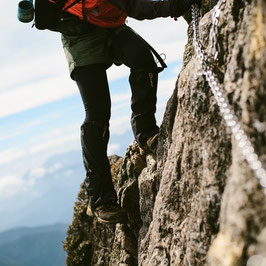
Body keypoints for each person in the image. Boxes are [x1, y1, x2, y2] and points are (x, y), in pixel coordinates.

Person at [57, 0, 201, 224]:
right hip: (79, 35)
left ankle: (145, 132)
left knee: (144, 60)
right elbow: (135, 7)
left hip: (108, 24)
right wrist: (173, 6)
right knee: (97, 114)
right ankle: (99, 200)